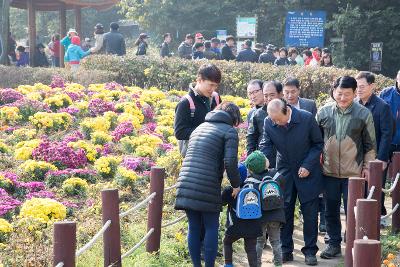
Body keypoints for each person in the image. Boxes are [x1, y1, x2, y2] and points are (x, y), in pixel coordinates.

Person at [175, 101, 242, 267]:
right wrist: (236, 184)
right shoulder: (229, 131)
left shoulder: (200, 127)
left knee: (194, 226)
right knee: (212, 226)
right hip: (208, 183)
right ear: (234, 118)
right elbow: (230, 161)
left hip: (186, 181)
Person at [317, 76, 376, 259]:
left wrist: (367, 166)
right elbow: (314, 141)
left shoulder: (363, 113)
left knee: (353, 211)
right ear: (333, 91)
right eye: (339, 93)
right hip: (328, 170)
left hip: (354, 173)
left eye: (347, 94)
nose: (342, 98)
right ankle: (333, 244)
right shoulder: (323, 112)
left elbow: (370, 144)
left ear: (354, 93)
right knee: (330, 210)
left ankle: (352, 244)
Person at [260, 98, 324, 266]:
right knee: (284, 211)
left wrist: (308, 165)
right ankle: (285, 250)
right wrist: (263, 162)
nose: (274, 122)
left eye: (277, 119)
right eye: (272, 119)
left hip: (307, 170)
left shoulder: (306, 118)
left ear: (286, 110)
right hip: (284, 171)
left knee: (310, 213)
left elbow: (318, 144)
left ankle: (310, 251)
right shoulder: (269, 121)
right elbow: (266, 144)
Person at [356, 71, 393, 225]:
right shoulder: (354, 104)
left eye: (362, 86)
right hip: (356, 157)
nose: (359, 89)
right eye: (357, 86)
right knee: (357, 190)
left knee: (374, 190)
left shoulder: (382, 106)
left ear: (372, 86)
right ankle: (357, 223)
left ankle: (373, 223)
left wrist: (382, 158)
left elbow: (386, 134)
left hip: (376, 157)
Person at [242, 151, 285, 267]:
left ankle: (256, 264)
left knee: (259, 242)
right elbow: (283, 183)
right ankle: (278, 264)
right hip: (276, 215)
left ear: (250, 169)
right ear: (266, 163)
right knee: (276, 242)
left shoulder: (250, 181)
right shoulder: (275, 175)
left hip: (260, 217)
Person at [174, 64, 222, 156]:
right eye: (211, 85)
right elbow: (180, 132)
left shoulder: (216, 98)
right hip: (193, 155)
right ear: (199, 80)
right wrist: (206, 131)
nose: (213, 89)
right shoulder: (186, 102)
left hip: (213, 152)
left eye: (216, 86)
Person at [221, 162, 262, 267]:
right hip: (253, 226)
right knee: (251, 249)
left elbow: (221, 202)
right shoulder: (254, 187)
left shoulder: (229, 190)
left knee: (227, 242)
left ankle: (228, 264)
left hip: (235, 226)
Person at [247, 81, 283, 167]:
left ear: (280, 94)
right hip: (266, 160)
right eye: (266, 96)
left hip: (285, 158)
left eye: (272, 95)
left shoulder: (287, 111)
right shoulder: (257, 114)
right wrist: (251, 161)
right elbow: (251, 139)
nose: (269, 98)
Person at [380, 70, 400, 180]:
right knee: (379, 177)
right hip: (386, 141)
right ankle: (379, 197)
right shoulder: (385, 93)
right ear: (397, 78)